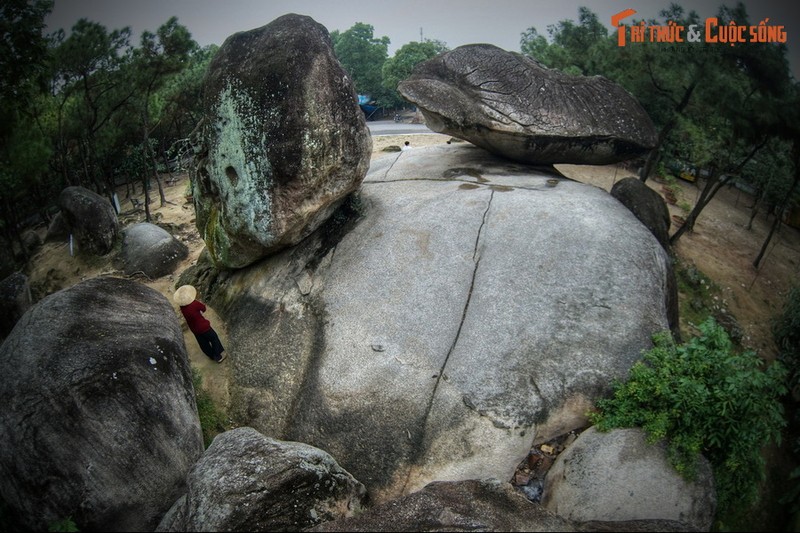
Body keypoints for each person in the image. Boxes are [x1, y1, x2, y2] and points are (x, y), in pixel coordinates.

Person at [174, 285, 226, 363]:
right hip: (203, 326)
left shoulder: (182, 307)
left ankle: (211, 355)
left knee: (203, 343)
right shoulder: (194, 303)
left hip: (194, 329)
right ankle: (218, 356)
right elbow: (203, 308)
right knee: (214, 338)